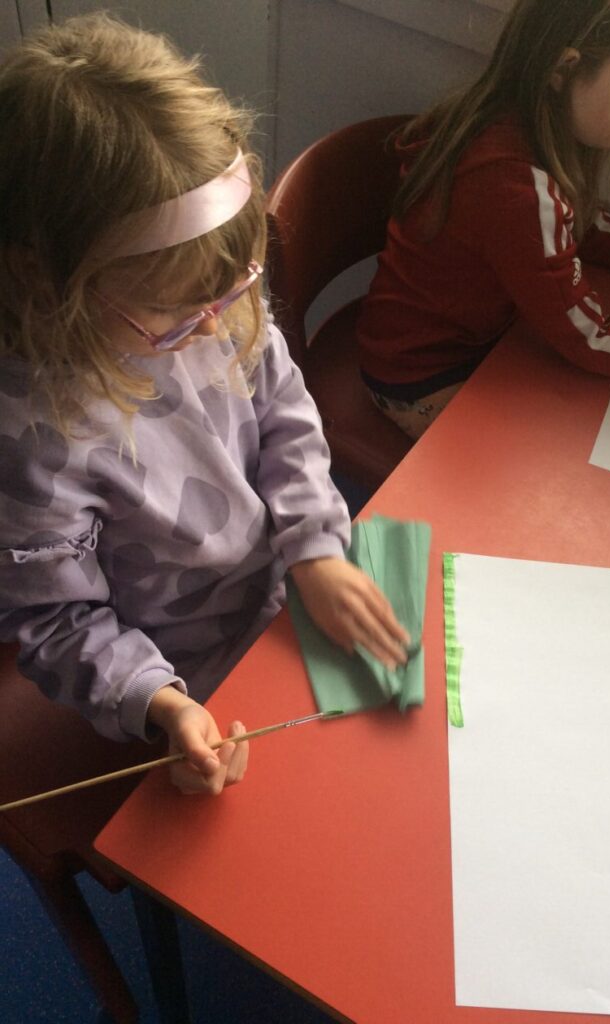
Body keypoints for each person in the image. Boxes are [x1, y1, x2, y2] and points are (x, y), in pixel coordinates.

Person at [0, 14, 409, 796]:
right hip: (176, 673)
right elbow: (55, 622)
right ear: (41, 281)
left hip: (288, 586)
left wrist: (315, 548)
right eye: (174, 311)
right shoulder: (30, 445)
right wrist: (163, 707)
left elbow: (285, 414)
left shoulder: (206, 305)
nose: (216, 326)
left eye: (232, 289)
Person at [357, 0, 610, 439]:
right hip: (419, 378)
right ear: (563, 68)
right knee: (551, 454)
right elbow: (589, 336)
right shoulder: (512, 186)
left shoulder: (514, 127)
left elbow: (577, 222)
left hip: (464, 344)